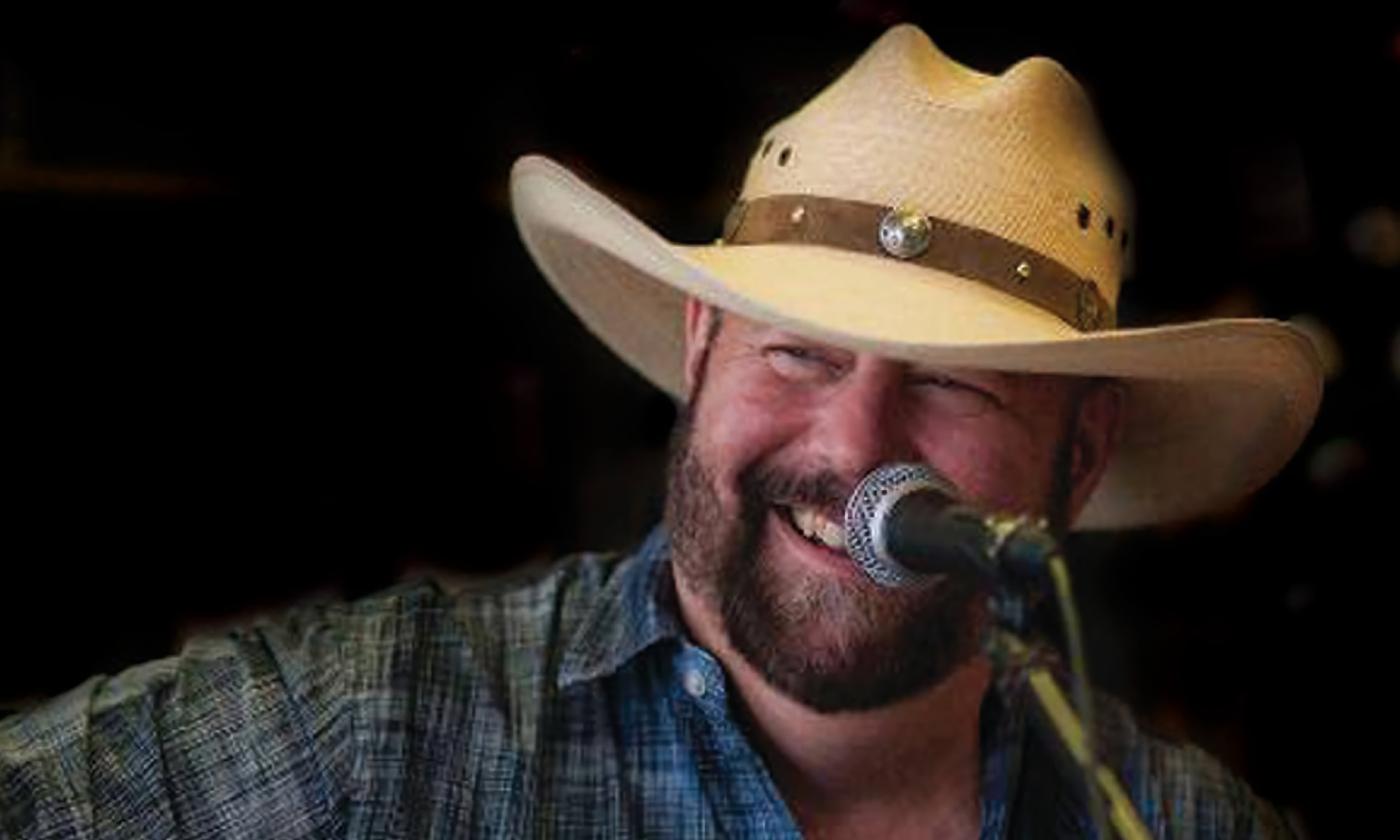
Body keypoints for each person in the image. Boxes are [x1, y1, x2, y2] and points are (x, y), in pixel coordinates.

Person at [0, 23, 1318, 839]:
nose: (858, 443)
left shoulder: (1185, 824)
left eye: (958, 383)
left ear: (1079, 458)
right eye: (798, 349)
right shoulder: (370, 729)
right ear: (701, 351)